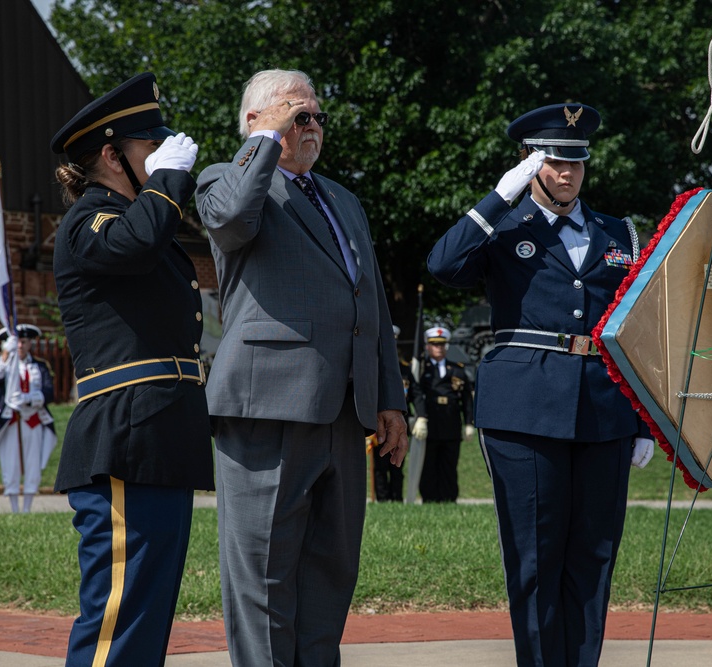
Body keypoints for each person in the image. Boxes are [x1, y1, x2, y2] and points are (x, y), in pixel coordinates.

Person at [427, 103, 655, 665]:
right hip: (524, 410)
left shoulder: (616, 231)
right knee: (534, 555)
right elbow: (442, 265)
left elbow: (642, 327)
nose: (568, 173)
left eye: (577, 162)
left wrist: (644, 418)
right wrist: (497, 200)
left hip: (603, 409)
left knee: (594, 556)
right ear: (531, 162)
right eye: (555, 162)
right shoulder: (502, 226)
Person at [195, 68, 408, 665]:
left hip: (344, 411)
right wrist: (265, 141)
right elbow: (234, 221)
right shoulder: (226, 179)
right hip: (267, 407)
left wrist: (389, 398)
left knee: (329, 574)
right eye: (298, 115)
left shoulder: (343, 199)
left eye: (316, 116)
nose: (311, 126)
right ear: (256, 122)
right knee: (263, 577)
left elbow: (370, 305)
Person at [50, 71, 215, 667]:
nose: (165, 154)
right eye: (151, 145)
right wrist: (169, 181)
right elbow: (136, 244)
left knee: (146, 618)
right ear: (110, 154)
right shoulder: (89, 221)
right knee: (117, 617)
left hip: (162, 434)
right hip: (125, 435)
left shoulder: (144, 223)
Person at [0, 325, 56, 514]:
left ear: (30, 343)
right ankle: (14, 508)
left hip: (33, 419)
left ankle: (28, 507)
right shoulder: (2, 362)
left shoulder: (39, 366)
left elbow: (49, 391)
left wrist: (31, 399)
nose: (21, 345)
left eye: (24, 341)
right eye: (17, 342)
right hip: (10, 419)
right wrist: (6, 352)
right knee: (10, 461)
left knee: (32, 461)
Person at [411, 326, 475, 503]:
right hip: (430, 424)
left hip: (451, 425)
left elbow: (466, 400)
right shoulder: (422, 371)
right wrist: (420, 417)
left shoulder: (457, 370)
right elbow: (416, 394)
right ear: (428, 347)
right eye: (434, 345)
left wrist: (469, 423)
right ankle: (430, 499)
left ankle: (449, 498)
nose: (438, 348)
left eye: (441, 345)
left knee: (449, 465)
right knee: (429, 465)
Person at [372, 325, 411, 502]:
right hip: (377, 425)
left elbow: (415, 393)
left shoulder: (404, 369)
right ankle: (382, 499)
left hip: (398, 423)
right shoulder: (372, 368)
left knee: (397, 465)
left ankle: (397, 499)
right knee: (379, 466)